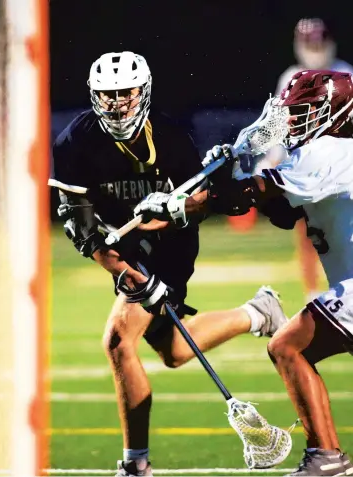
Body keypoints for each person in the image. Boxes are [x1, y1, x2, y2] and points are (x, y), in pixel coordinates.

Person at [48, 51, 288, 477]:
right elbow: (78, 222)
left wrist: (175, 208)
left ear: (144, 91)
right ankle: (256, 313)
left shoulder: (172, 137)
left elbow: (206, 203)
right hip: (124, 248)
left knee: (119, 343)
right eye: (107, 95)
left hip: (170, 248)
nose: (117, 102)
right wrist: (127, 273)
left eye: (126, 92)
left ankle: (135, 464)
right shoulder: (75, 140)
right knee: (174, 351)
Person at [132, 70, 353, 476]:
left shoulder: (329, 151)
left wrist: (179, 207)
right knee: (292, 347)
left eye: (302, 112)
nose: (292, 121)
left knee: (289, 346)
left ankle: (327, 460)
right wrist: (225, 175)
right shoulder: (329, 155)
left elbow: (253, 194)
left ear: (334, 113)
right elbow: (282, 212)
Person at [275, 17, 353, 303]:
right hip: (307, 168)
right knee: (310, 233)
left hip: (344, 168)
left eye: (320, 41)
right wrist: (275, 163)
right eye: (311, 43)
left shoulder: (346, 73)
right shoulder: (292, 77)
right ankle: (313, 293)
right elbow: (280, 126)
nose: (316, 48)